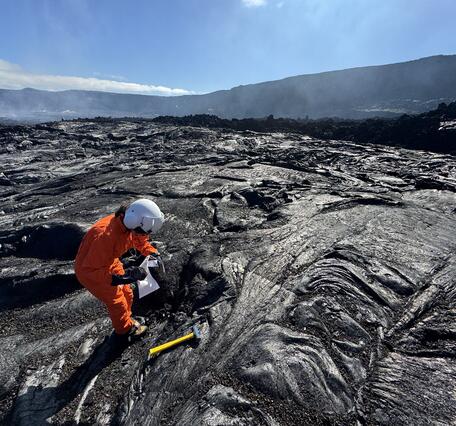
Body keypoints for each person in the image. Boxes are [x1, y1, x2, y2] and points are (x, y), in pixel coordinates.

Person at [74, 198, 165, 341]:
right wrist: (124, 276)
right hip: (91, 271)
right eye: (141, 231)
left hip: (109, 261)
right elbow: (91, 269)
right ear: (133, 222)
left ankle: (127, 319)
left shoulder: (130, 225)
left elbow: (138, 239)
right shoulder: (105, 236)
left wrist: (151, 252)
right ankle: (124, 331)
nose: (142, 234)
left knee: (127, 293)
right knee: (117, 302)